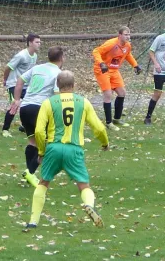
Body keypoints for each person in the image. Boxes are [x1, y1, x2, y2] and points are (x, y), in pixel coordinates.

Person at [23, 70, 109, 231]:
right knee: (84, 185)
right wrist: (105, 142)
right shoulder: (83, 102)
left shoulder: (49, 102)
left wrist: (41, 151)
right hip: (74, 149)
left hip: (53, 148)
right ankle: (89, 205)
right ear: (74, 85)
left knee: (43, 183)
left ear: (57, 84)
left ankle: (33, 221)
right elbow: (98, 127)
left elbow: (40, 131)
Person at [9, 46, 64, 187]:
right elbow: (57, 96)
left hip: (26, 108)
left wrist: (16, 99)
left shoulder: (37, 68)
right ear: (61, 58)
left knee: (33, 142)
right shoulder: (58, 73)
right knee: (47, 144)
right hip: (40, 109)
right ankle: (31, 172)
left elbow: (20, 80)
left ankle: (29, 175)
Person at [92, 26, 142, 131]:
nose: (128, 36)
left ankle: (116, 119)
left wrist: (135, 65)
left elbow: (128, 55)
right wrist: (101, 63)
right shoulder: (111, 44)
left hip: (114, 71)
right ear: (119, 35)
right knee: (108, 94)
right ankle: (109, 123)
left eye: (129, 34)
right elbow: (96, 51)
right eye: (125, 34)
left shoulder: (127, 46)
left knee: (122, 93)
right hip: (103, 70)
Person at [1, 33, 41, 137]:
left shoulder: (35, 56)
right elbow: (8, 67)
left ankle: (24, 126)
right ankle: (5, 130)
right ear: (30, 43)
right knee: (15, 105)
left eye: (40, 42)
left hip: (25, 85)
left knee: (31, 104)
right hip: (13, 84)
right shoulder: (21, 55)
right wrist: (5, 80)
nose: (39, 44)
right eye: (37, 42)